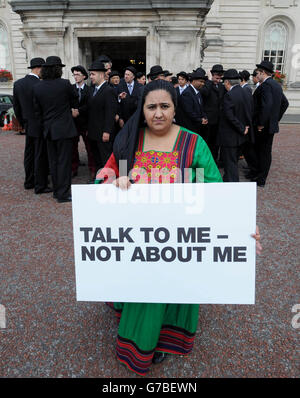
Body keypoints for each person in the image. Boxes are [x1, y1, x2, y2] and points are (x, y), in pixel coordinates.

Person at [95, 80, 262, 376]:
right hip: (141, 239)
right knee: (146, 294)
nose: (158, 113)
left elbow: (216, 192)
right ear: (142, 110)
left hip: (180, 238)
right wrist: (111, 178)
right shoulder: (130, 138)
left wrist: (242, 227)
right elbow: (108, 171)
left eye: (164, 106)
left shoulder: (194, 143)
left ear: (175, 108)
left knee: (173, 289)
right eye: (151, 107)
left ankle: (165, 340)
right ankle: (141, 342)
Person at [33, 56, 78, 203]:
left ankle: (57, 191)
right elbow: (75, 100)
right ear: (58, 69)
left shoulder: (37, 87)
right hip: (64, 129)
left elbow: (37, 111)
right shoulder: (65, 84)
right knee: (64, 162)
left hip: (48, 130)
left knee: (53, 162)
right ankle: (63, 194)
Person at [13, 57, 51, 194]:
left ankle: (29, 181)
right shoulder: (40, 85)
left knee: (29, 154)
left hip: (28, 125)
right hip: (40, 125)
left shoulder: (18, 84)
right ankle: (40, 184)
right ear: (39, 68)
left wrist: (23, 123)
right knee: (40, 155)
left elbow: (16, 107)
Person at [251, 60, 289, 187]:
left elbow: (266, 106)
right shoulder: (276, 85)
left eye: (258, 73)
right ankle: (258, 174)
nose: (257, 75)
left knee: (262, 152)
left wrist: (262, 123)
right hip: (270, 125)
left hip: (263, 126)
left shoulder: (266, 85)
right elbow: (285, 103)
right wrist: (275, 119)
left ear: (262, 72)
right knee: (264, 151)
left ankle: (260, 178)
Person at [216, 69, 254, 182]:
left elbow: (230, 116)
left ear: (227, 82)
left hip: (230, 136)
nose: (224, 85)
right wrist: (245, 126)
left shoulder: (229, 95)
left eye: (224, 82)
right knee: (233, 160)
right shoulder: (245, 92)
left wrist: (242, 128)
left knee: (230, 162)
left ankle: (232, 184)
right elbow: (249, 111)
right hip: (241, 135)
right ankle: (228, 178)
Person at [87, 59, 118, 174]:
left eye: (93, 74)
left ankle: (108, 181)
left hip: (103, 133)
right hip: (93, 133)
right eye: (90, 74)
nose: (91, 77)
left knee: (106, 159)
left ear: (101, 74)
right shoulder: (92, 90)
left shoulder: (108, 90)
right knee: (97, 159)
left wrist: (107, 131)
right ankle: (99, 179)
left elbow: (110, 113)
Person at [70, 65, 96, 182]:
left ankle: (93, 169)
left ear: (84, 76)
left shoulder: (90, 90)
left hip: (86, 123)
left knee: (90, 148)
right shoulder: (70, 89)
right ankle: (73, 169)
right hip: (73, 124)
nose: (75, 77)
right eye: (74, 75)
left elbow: (91, 106)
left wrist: (79, 111)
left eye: (78, 74)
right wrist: (72, 110)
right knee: (72, 148)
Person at [199, 64, 226, 162]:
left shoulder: (221, 86)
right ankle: (206, 160)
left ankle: (214, 160)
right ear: (212, 74)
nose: (218, 78)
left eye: (220, 76)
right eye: (216, 76)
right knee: (207, 141)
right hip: (209, 119)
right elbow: (204, 93)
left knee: (216, 142)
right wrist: (211, 81)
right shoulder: (207, 84)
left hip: (218, 119)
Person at [176, 69, 208, 140]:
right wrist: (200, 120)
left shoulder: (198, 92)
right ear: (193, 81)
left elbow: (200, 108)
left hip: (196, 127)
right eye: (201, 81)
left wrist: (204, 117)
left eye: (203, 82)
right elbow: (189, 112)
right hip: (189, 128)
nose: (203, 84)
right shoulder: (187, 93)